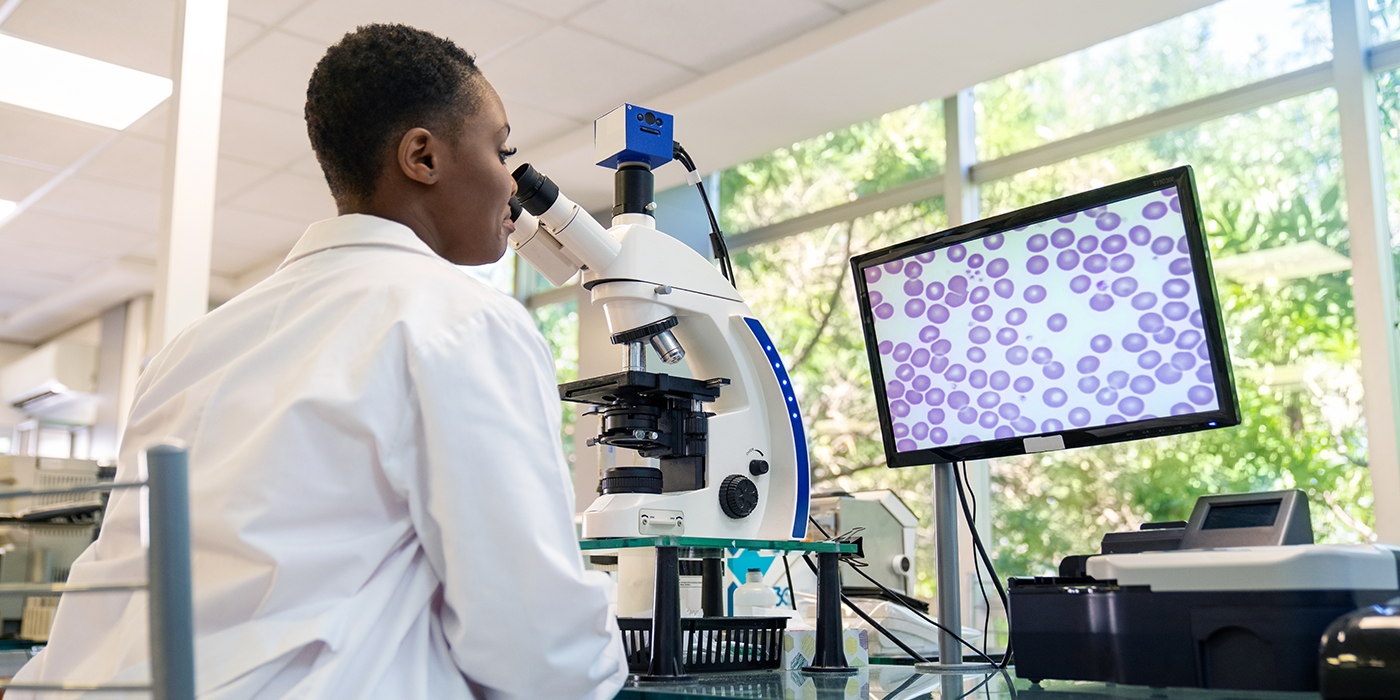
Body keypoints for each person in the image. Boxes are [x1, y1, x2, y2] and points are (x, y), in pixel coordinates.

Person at [11, 24, 628, 700]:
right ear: (422, 156)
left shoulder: (186, 351)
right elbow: (541, 651)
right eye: (501, 149)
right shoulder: (464, 323)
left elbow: (116, 594)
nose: (512, 183)